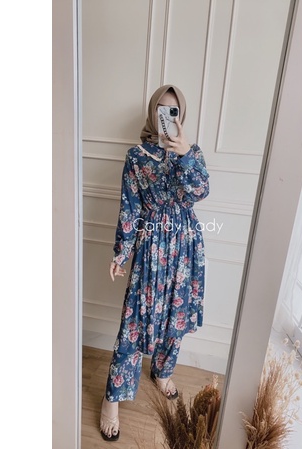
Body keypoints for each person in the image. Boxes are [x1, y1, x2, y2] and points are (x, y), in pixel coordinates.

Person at [99, 84, 210, 441]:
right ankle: (112, 398)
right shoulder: (136, 156)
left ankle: (162, 371)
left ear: (181, 115)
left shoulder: (192, 152)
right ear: (152, 112)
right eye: (162, 110)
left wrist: (186, 154)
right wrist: (121, 252)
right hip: (151, 246)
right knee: (135, 320)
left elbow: (200, 192)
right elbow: (130, 207)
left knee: (175, 315)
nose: (167, 117)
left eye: (173, 111)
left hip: (186, 245)